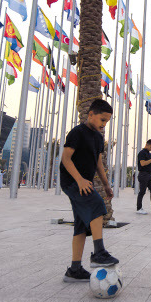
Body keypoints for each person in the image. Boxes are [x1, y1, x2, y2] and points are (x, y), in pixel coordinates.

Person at [59, 99, 119, 282]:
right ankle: (99, 252)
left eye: (107, 121)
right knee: (96, 204)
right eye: (102, 120)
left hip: (84, 183)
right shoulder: (77, 133)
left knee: (81, 225)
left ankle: (74, 270)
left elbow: (98, 162)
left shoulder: (98, 137)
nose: (104, 124)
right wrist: (79, 180)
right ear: (90, 114)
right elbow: (66, 159)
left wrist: (106, 184)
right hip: (72, 182)